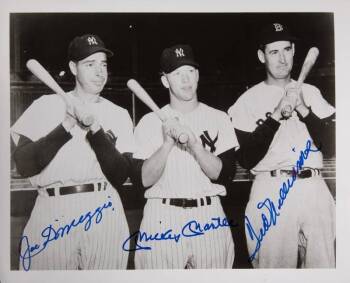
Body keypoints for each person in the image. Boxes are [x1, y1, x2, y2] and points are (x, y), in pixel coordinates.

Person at [11, 34, 134, 270]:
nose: (100, 72)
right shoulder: (45, 105)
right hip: (53, 208)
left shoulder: (118, 113)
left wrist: (95, 130)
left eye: (103, 64)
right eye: (90, 64)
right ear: (73, 68)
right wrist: (65, 125)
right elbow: (23, 164)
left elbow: (120, 175)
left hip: (104, 207)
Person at [228, 23, 336, 268]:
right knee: (273, 271)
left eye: (286, 49)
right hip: (271, 188)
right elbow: (246, 158)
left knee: (324, 269)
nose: (282, 58)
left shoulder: (312, 92)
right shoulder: (247, 100)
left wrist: (303, 109)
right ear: (261, 56)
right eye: (273, 52)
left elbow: (331, 147)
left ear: (294, 50)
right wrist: (275, 116)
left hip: (314, 188)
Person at [132, 44, 238, 269]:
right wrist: (167, 144)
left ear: (198, 75)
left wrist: (195, 146)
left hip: (208, 214)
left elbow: (225, 175)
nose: (186, 79)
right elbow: (142, 180)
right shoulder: (149, 122)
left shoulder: (219, 118)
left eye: (190, 71)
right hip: (162, 215)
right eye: (177, 74)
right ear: (165, 81)